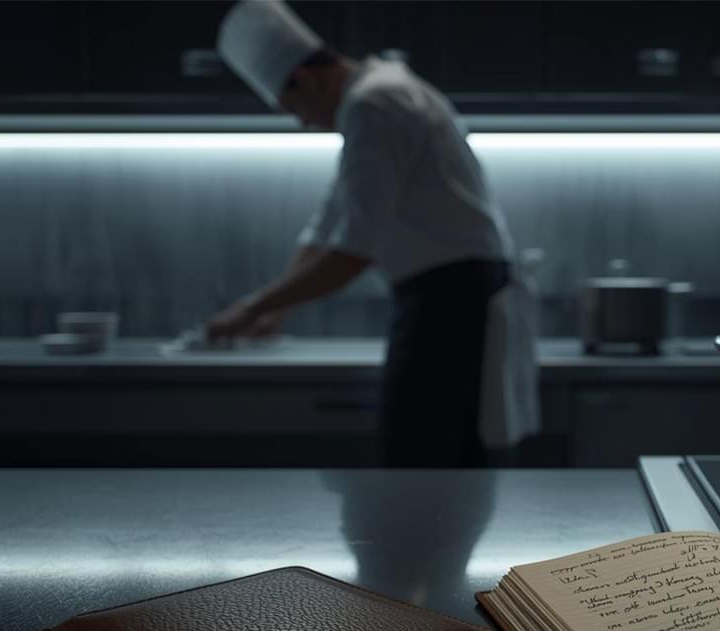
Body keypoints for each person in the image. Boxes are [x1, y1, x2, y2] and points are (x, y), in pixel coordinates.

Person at [209, 0, 538, 467]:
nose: (301, 122)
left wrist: (253, 307)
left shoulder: (373, 106)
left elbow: (353, 250)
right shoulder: (379, 94)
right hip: (453, 296)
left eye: (293, 108)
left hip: (448, 302)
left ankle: (422, 543)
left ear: (306, 79)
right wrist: (279, 307)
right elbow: (329, 223)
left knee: (423, 461)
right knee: (435, 461)